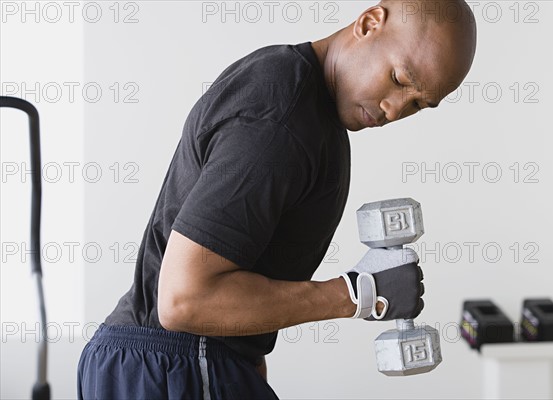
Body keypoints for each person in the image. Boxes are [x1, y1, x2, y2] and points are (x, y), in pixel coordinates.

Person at [77, 0, 477, 398]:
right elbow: (185, 301)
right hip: (170, 366)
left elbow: (238, 289)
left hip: (192, 362)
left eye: (417, 105)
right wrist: (357, 293)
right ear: (370, 23)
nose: (394, 108)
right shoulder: (281, 113)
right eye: (398, 77)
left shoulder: (310, 111)